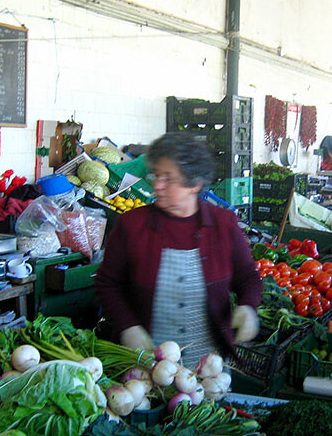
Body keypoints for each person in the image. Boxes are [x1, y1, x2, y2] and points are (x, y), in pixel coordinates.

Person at [95, 132, 263, 368]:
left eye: (168, 178)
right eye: (156, 175)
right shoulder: (132, 225)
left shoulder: (223, 224)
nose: (157, 185)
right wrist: (128, 326)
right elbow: (107, 283)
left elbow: (248, 277)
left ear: (194, 184)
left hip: (209, 366)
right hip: (144, 364)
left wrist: (248, 306)